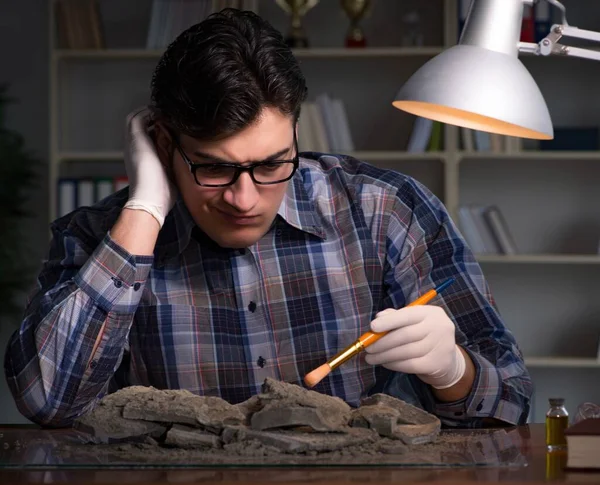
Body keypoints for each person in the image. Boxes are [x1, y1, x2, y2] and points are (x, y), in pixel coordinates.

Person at [4, 8, 531, 428]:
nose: (244, 198)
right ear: (164, 144)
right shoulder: (98, 236)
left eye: (273, 164)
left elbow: (512, 400)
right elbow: (47, 403)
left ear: (297, 133)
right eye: (214, 168)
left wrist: (453, 372)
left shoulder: (385, 210)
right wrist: (144, 207)